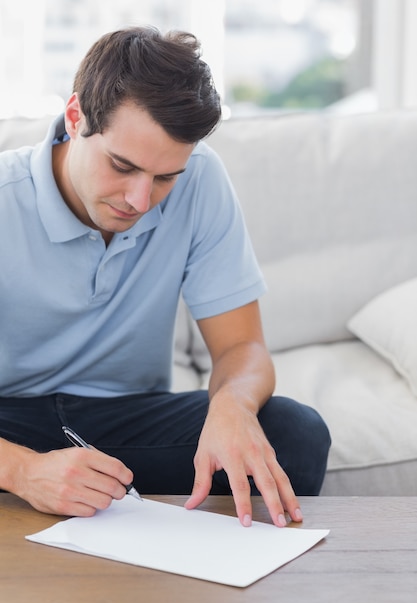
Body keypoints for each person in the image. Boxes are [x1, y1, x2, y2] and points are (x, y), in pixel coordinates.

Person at [0, 26, 330, 527]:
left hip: (124, 421)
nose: (139, 199)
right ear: (75, 118)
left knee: (294, 434)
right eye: (121, 166)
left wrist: (232, 405)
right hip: (8, 420)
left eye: (164, 177)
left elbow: (242, 349)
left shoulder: (201, 177)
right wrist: (23, 471)